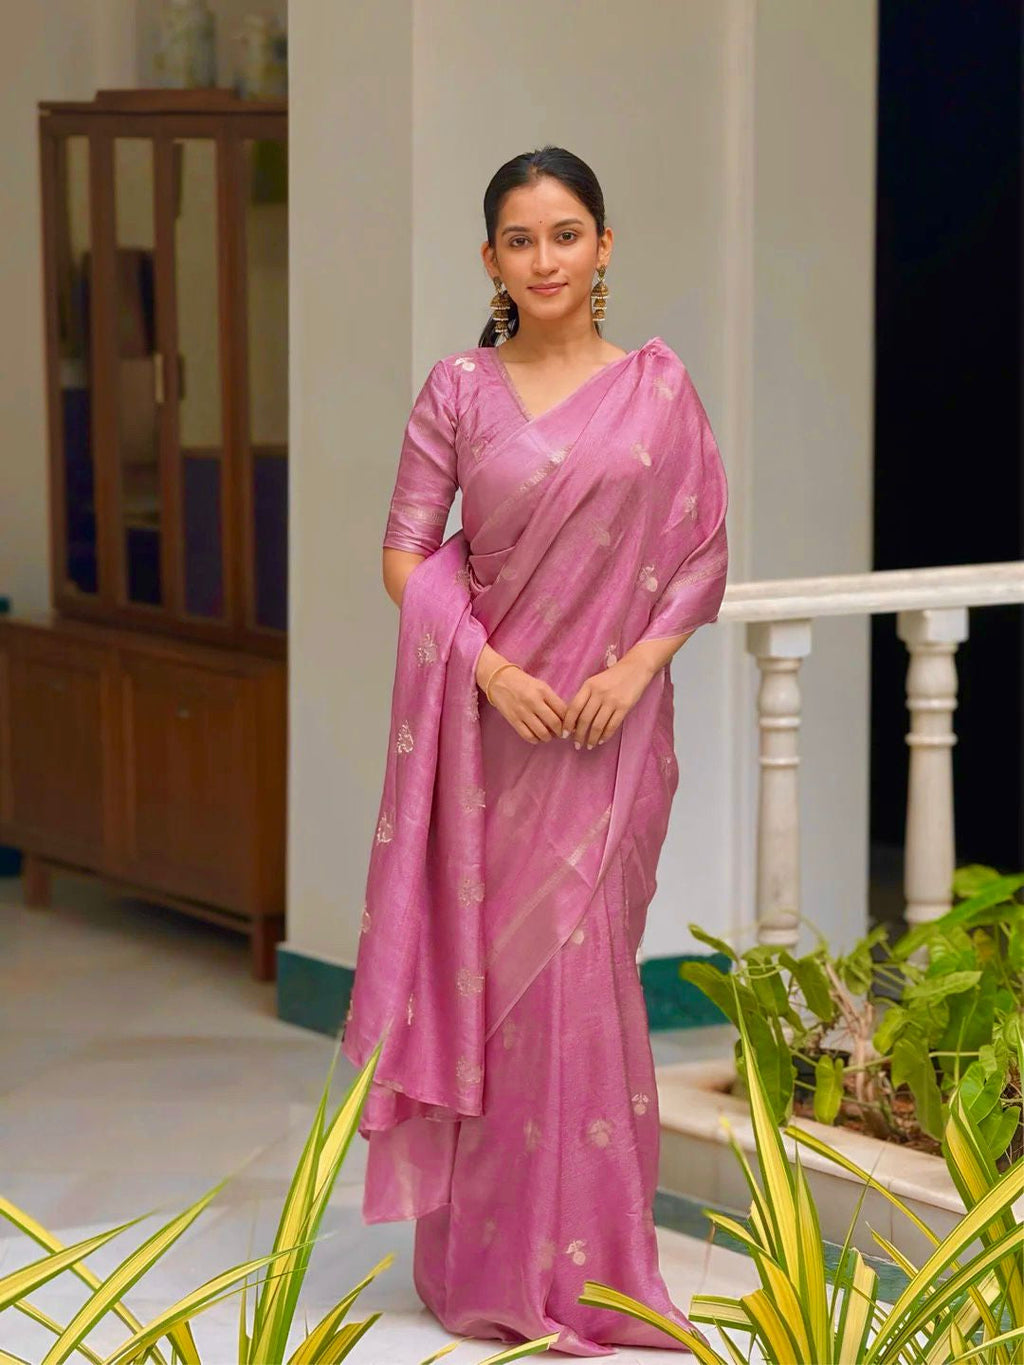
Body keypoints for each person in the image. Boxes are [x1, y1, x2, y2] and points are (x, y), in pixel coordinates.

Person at [341, 145, 728, 1358]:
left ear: (603, 248)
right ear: (490, 259)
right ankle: (485, 1268)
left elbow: (702, 551)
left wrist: (632, 668)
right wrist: (491, 672)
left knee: (584, 987)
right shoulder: (458, 389)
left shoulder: (658, 393)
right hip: (491, 742)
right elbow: (406, 554)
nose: (545, 258)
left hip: (610, 736)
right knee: (488, 999)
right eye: (521, 238)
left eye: (566, 234)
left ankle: (603, 1268)